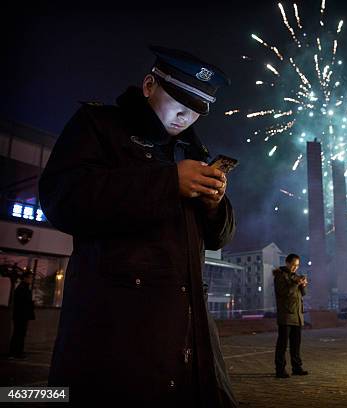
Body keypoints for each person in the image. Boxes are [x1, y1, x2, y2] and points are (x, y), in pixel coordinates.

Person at [39, 46, 237, 406]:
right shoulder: (99, 126)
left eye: (196, 109)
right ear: (149, 85)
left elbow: (219, 238)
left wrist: (214, 204)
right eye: (178, 100)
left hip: (188, 335)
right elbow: (63, 200)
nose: (185, 115)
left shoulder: (193, 154)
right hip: (115, 331)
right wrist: (167, 183)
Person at [273, 253, 308, 378]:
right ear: (287, 263)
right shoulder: (280, 275)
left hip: (297, 315)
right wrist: (296, 283)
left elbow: (302, 294)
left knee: (296, 344)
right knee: (282, 344)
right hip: (286, 315)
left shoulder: (295, 276)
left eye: (297, 265)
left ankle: (297, 367)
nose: (295, 267)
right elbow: (284, 292)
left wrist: (303, 284)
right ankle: (280, 369)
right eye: (293, 265)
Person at [9, 272, 35, 359]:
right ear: (25, 278)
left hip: (21, 315)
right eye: (30, 278)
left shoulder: (23, 288)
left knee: (20, 334)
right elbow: (22, 303)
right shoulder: (22, 288)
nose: (31, 280)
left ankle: (17, 352)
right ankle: (15, 353)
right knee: (18, 334)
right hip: (21, 316)